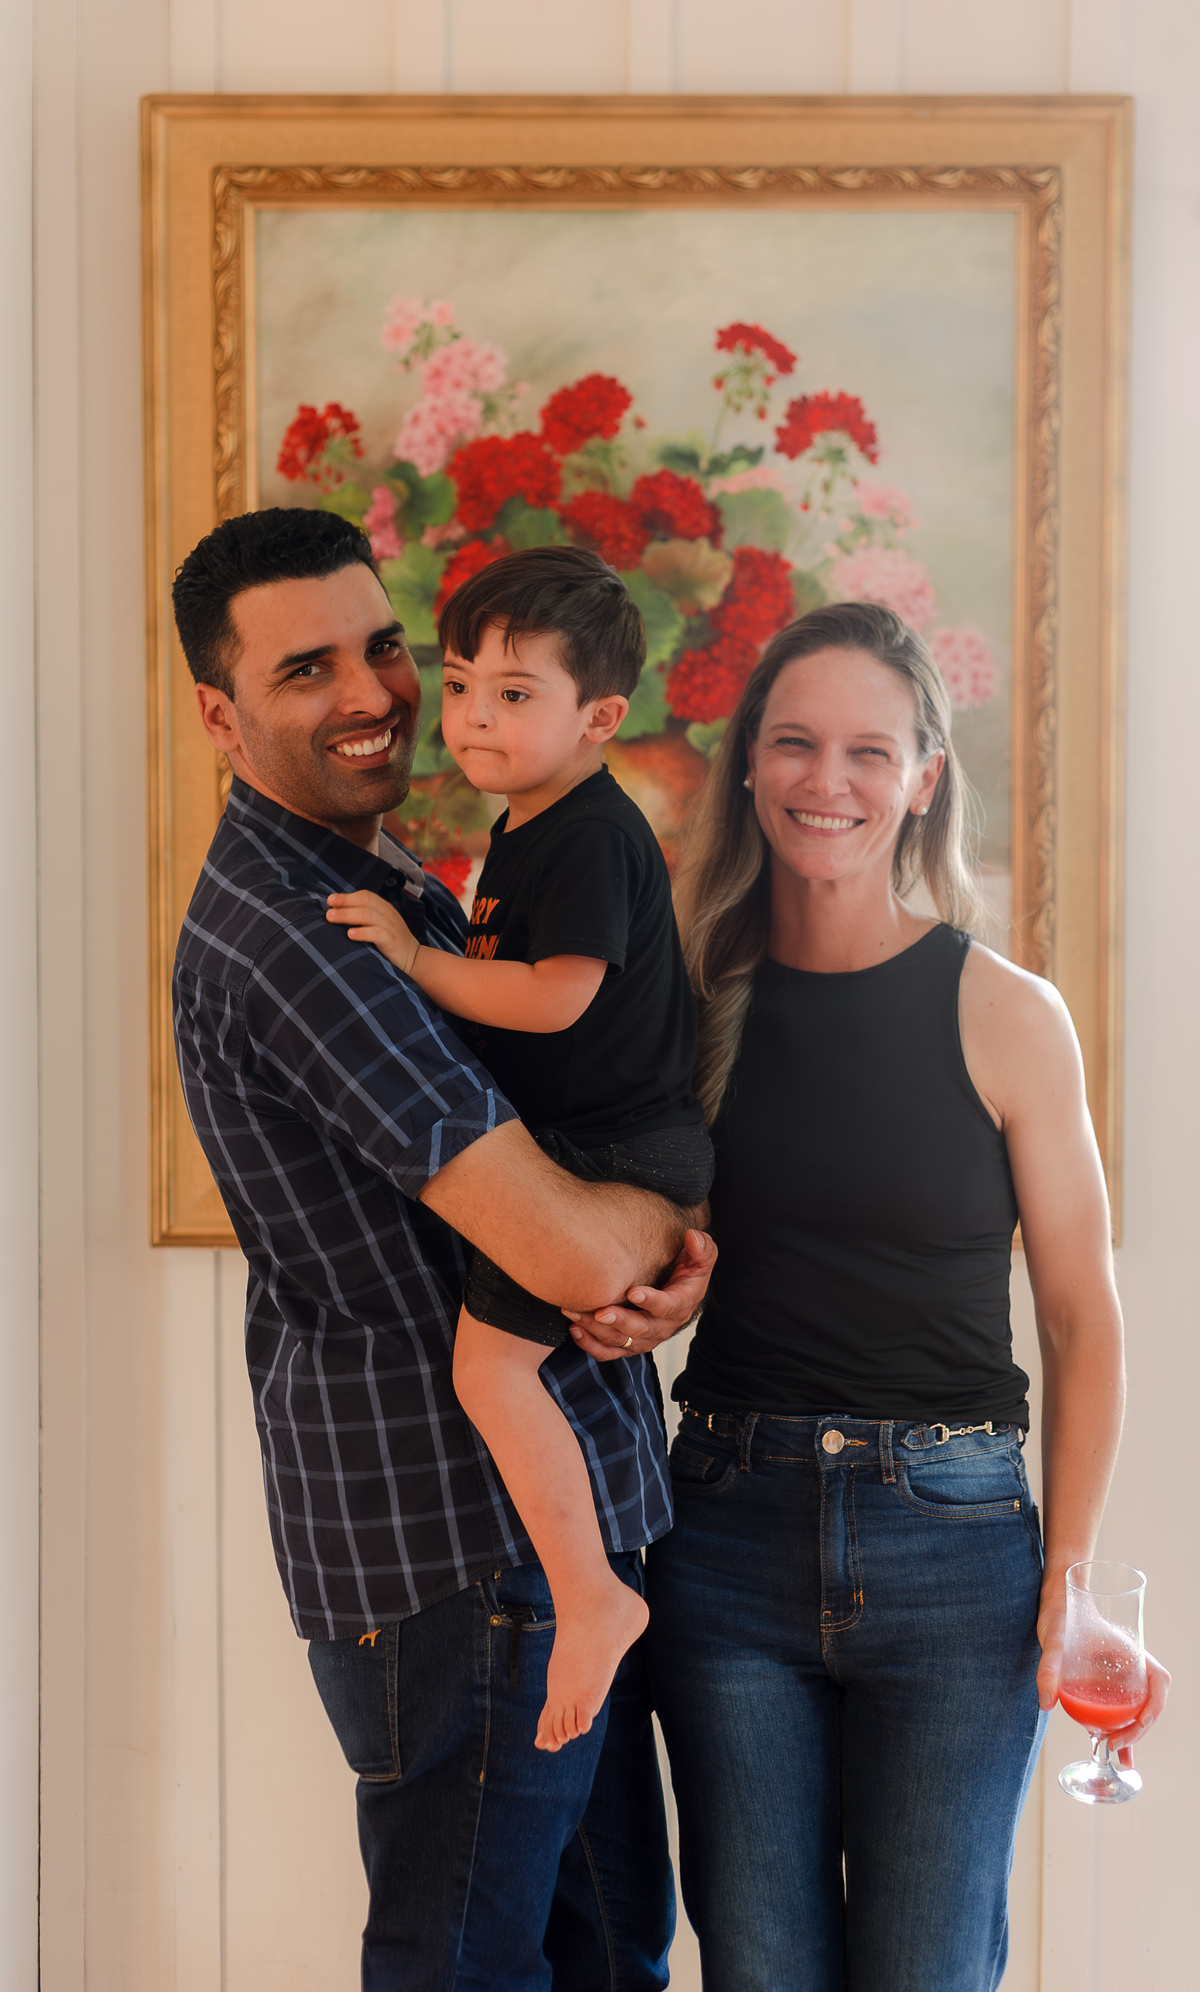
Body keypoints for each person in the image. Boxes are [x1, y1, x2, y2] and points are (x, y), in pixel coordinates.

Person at [169, 506, 715, 1989]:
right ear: (219, 716)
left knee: (607, 1956)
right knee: (466, 1967)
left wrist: (657, 1245)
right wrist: (657, 1223)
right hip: (466, 1553)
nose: (376, 694)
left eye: (386, 646)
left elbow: (580, 1160)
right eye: (306, 671)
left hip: (542, 1542)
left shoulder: (396, 878)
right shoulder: (301, 937)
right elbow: (567, 1251)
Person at [642, 601, 1170, 1991]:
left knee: (924, 1969)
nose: (828, 780)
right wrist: (639, 1297)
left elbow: (1083, 1321)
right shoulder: (687, 1000)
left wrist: (1070, 1581)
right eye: (795, 743)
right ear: (748, 763)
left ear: (924, 778)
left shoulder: (1007, 1013)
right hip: (726, 1535)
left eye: (869, 752)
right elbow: (653, 1244)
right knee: (760, 1968)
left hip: (956, 1552)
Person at [325, 546, 714, 1755]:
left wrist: (413, 956)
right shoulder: (533, 821)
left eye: (513, 693)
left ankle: (592, 1594)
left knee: (491, 1374)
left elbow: (554, 997)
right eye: (458, 687)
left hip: (622, 1157)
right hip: (597, 1149)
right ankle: (592, 1583)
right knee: (506, 1370)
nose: (473, 717)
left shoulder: (589, 833)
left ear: (600, 718)